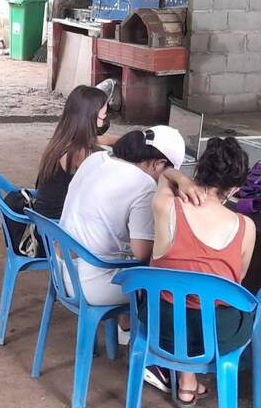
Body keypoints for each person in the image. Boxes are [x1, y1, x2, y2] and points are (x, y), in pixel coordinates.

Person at [58, 125, 195, 393]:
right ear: (157, 164)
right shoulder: (143, 186)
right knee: (169, 286)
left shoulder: (97, 158)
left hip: (63, 269)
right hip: (91, 283)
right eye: (166, 174)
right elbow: (144, 253)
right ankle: (158, 363)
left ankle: (127, 330)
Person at [149, 136, 261, 408]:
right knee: (245, 305)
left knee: (181, 298)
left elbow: (165, 176)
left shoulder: (166, 208)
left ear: (198, 171)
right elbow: (236, 280)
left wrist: (182, 180)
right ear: (235, 188)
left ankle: (187, 383)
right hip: (217, 337)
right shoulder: (245, 228)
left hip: (161, 329)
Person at [31, 85, 114, 220]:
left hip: (45, 219)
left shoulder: (64, 137)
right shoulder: (78, 153)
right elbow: (109, 173)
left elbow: (94, 139)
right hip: (57, 226)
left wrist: (120, 139)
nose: (105, 119)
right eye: (104, 115)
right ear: (91, 117)